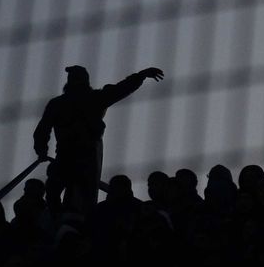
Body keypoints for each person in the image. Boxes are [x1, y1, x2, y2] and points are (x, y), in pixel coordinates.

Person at [33, 64, 165, 216]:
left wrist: (141, 75)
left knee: (80, 195)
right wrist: (41, 149)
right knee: (55, 191)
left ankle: (77, 220)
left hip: (86, 155)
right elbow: (43, 129)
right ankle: (60, 218)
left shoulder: (91, 99)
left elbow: (120, 89)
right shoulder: (61, 104)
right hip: (67, 154)